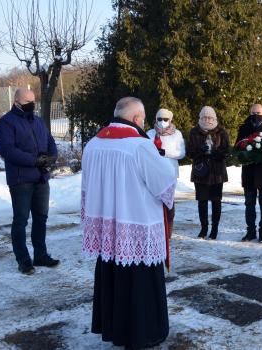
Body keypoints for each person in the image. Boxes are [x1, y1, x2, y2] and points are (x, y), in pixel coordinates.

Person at [81, 97, 176, 348]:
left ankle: (114, 328)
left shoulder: (93, 144)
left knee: (113, 278)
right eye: (143, 118)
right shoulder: (139, 145)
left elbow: (86, 188)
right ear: (136, 119)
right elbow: (165, 183)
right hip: (137, 225)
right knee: (139, 284)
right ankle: (143, 332)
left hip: (107, 226)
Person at [0, 88, 59, 275]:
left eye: (33, 101)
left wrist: (51, 158)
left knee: (41, 218)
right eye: (27, 102)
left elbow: (50, 141)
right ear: (16, 102)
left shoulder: (38, 121)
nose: (31, 105)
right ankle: (23, 260)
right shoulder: (6, 123)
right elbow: (8, 150)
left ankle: (40, 255)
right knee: (21, 220)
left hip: (40, 178)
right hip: (21, 179)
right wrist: (34, 161)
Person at [236, 104, 262, 243]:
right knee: (249, 204)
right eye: (253, 112)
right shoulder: (244, 128)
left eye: (258, 112)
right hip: (249, 172)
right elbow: (237, 147)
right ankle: (250, 232)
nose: (256, 115)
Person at [187, 106, 230, 240]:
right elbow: (190, 153)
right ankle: (204, 228)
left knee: (216, 202)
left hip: (217, 173)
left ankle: (214, 229)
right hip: (201, 172)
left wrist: (214, 152)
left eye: (210, 117)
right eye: (204, 117)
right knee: (202, 201)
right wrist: (201, 150)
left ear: (214, 118)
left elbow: (227, 151)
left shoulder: (221, 132)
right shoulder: (194, 132)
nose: (207, 120)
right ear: (200, 118)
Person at [147, 108, 186, 238]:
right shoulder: (150, 133)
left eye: (165, 119)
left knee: (168, 201)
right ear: (155, 119)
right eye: (160, 119)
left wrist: (165, 153)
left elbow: (181, 153)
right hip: (153, 172)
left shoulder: (177, 134)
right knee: (153, 201)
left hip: (170, 172)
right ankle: (154, 228)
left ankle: (168, 230)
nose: (162, 122)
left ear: (170, 120)